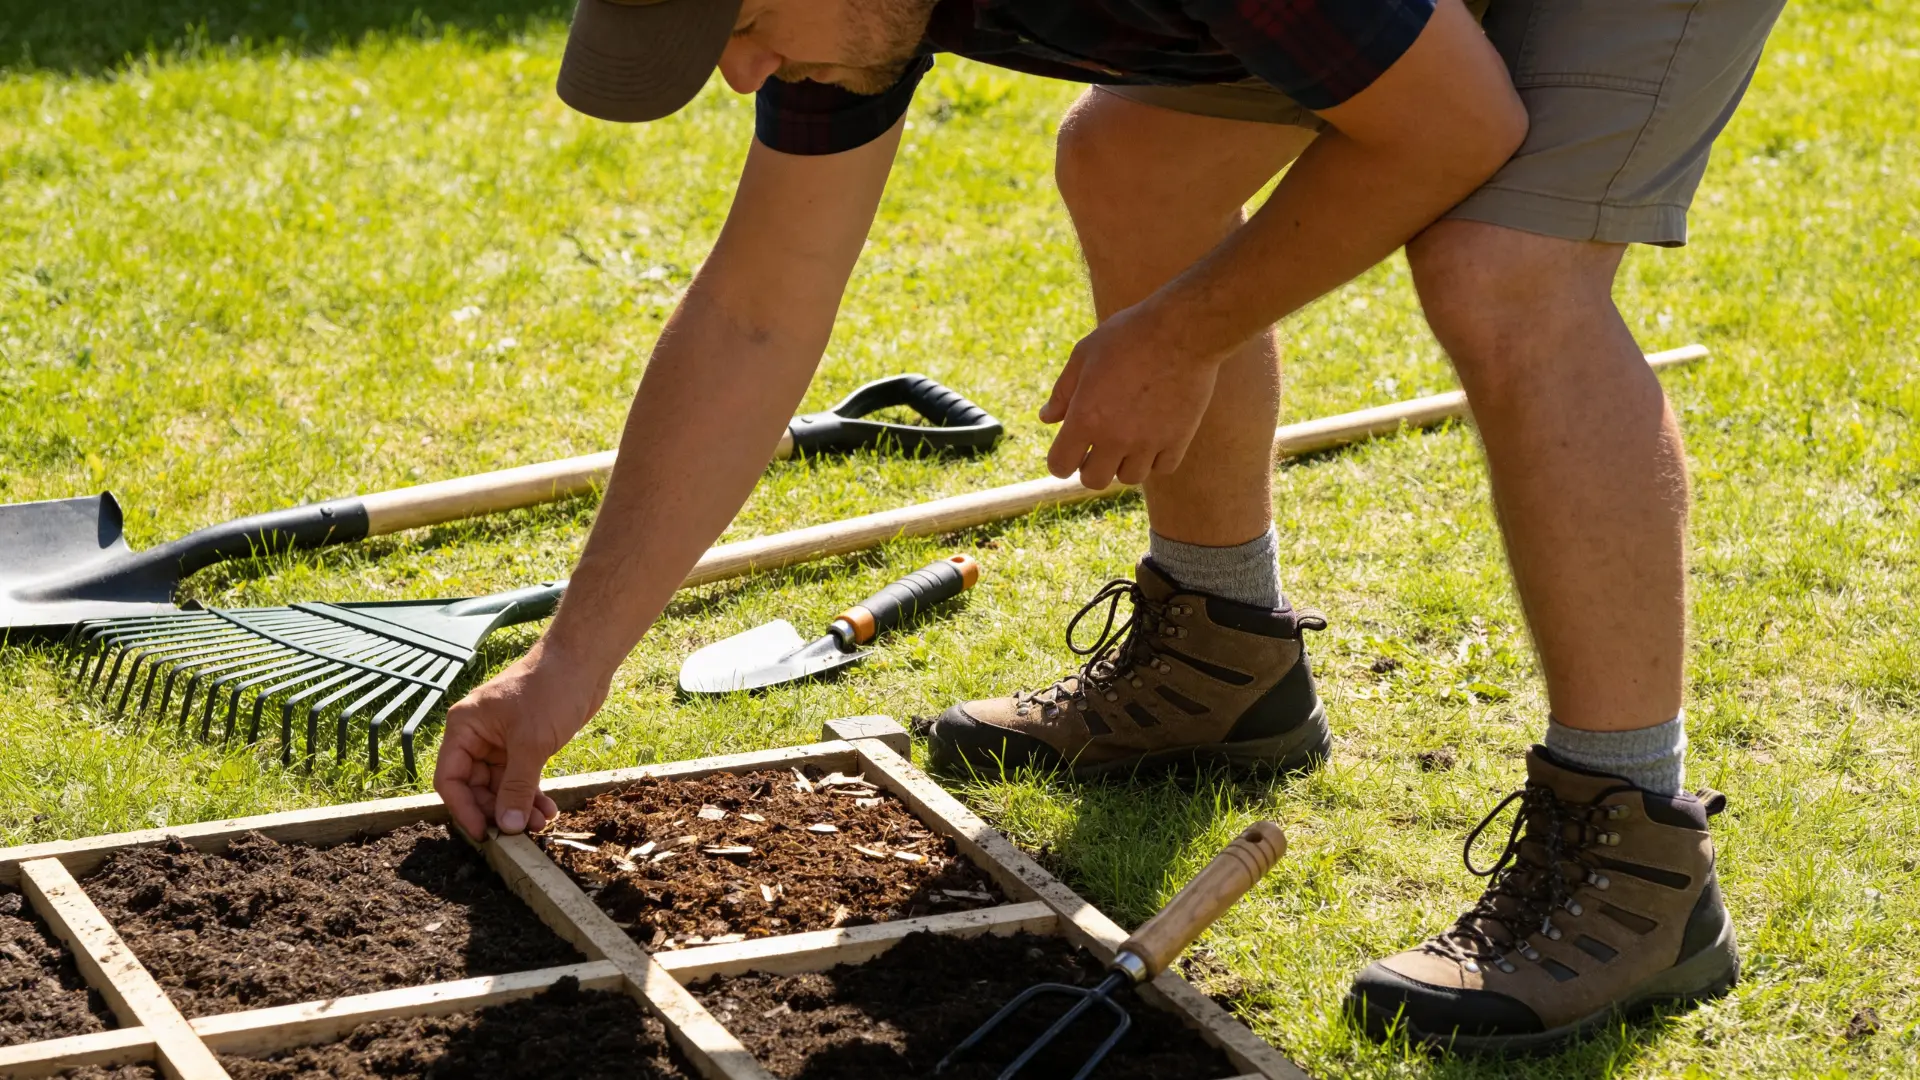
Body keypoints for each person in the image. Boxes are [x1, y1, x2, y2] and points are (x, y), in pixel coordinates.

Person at [434, 0, 1782, 1051]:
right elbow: (754, 312)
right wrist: (573, 659)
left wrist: (1185, 334)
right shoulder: (843, 22)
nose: (740, 73)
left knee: (1506, 269)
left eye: (736, 24)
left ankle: (1638, 849)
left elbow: (1453, 132)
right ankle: (1224, 656)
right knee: (1131, 153)